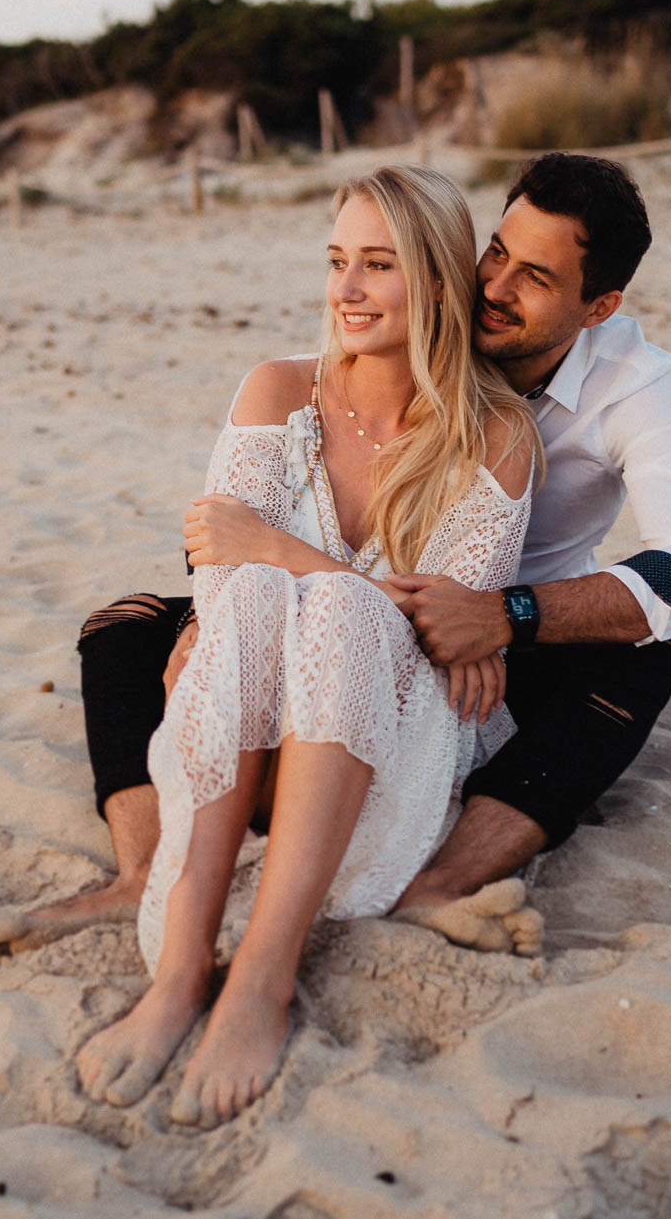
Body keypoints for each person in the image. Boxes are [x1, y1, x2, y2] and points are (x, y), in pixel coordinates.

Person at [0, 151, 671, 961]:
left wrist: (506, 614)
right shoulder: (412, 325)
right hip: (320, 604)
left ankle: (439, 881)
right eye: (495, 253)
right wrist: (218, 606)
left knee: (648, 649)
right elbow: (234, 519)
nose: (496, 287)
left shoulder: (632, 387)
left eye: (536, 279)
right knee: (127, 628)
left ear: (599, 307)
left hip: (493, 642)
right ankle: (142, 870)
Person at [72, 165, 539, 1127]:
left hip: (390, 749)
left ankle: (262, 980)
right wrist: (255, 576)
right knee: (242, 599)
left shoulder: (496, 434)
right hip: (254, 724)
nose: (347, 291)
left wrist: (286, 553)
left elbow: (441, 632)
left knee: (331, 607)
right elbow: (216, 555)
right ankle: (181, 970)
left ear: (440, 285)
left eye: (378, 266)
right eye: (337, 263)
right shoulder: (276, 390)